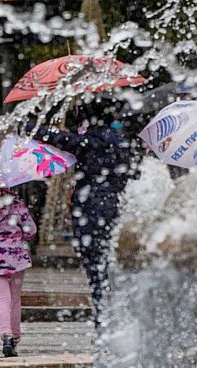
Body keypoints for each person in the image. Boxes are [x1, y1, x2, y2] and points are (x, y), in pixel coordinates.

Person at [33, 102, 140, 328]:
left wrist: (30, 127)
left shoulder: (90, 142)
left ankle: (103, 313)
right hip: (115, 205)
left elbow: (61, 139)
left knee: (94, 262)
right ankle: (119, 312)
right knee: (113, 259)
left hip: (91, 207)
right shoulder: (121, 141)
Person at [0, 188, 37, 357]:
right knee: (15, 298)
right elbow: (31, 230)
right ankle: (15, 335)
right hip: (15, 257)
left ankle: (6, 335)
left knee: (2, 298)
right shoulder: (17, 206)